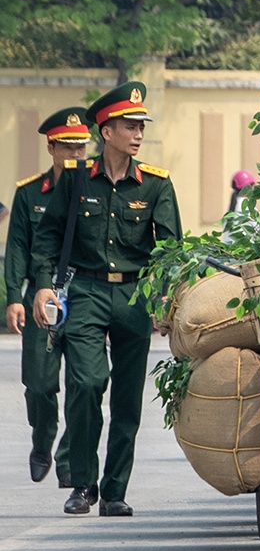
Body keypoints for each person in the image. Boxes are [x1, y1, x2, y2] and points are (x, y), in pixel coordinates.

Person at [28, 83, 179, 517]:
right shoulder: (75, 178)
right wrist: (43, 285)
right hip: (86, 292)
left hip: (134, 296)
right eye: (130, 126)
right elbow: (48, 236)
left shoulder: (156, 184)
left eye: (141, 127)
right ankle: (82, 484)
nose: (138, 134)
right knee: (86, 382)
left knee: (127, 397)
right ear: (106, 132)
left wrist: (165, 296)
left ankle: (114, 491)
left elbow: (170, 247)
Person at [7, 108, 92, 487]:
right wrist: (14, 296)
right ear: (51, 148)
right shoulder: (30, 193)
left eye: (81, 146)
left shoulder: (95, 189)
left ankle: (68, 459)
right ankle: (42, 441)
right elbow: (17, 248)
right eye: (68, 146)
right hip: (41, 297)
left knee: (82, 384)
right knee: (40, 384)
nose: (75, 153)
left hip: (85, 295)